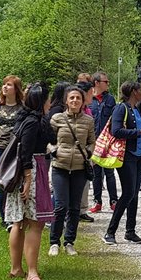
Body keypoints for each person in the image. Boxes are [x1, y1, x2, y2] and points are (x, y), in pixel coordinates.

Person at [4, 83, 54, 280]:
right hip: (31, 171)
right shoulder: (33, 122)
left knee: (19, 222)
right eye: (48, 99)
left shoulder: (26, 119)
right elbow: (25, 151)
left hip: (24, 172)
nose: (50, 102)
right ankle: (32, 272)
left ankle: (16, 269)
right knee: (35, 222)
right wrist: (27, 179)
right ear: (41, 101)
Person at [102, 82, 141, 245]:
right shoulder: (121, 108)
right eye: (140, 90)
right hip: (127, 156)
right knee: (128, 193)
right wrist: (140, 132)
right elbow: (116, 131)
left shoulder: (136, 109)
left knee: (134, 194)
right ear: (133, 92)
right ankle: (110, 232)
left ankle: (130, 231)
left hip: (139, 155)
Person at [48, 86, 95, 256]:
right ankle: (54, 242)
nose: (75, 101)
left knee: (75, 207)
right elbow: (48, 138)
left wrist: (88, 153)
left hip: (79, 168)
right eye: (72, 98)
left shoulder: (88, 121)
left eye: (78, 98)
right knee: (60, 206)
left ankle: (69, 242)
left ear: (83, 102)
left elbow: (92, 141)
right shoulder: (57, 119)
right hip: (60, 166)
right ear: (66, 101)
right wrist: (53, 150)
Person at [0, 75, 25, 228]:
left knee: (12, 183)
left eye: (9, 85)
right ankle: (5, 219)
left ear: (16, 89)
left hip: (14, 150)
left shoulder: (22, 107)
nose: (5, 87)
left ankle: (13, 214)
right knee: (0, 185)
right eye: (4, 84)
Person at [89, 72, 118, 213]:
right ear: (97, 83)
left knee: (109, 172)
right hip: (93, 142)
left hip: (107, 142)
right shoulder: (89, 100)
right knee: (96, 173)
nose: (108, 84)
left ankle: (114, 201)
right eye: (105, 81)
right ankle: (97, 201)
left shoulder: (110, 99)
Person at [75, 80, 95, 223]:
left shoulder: (87, 109)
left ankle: (82, 210)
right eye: (91, 92)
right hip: (76, 153)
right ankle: (75, 211)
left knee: (85, 183)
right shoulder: (78, 111)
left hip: (87, 152)